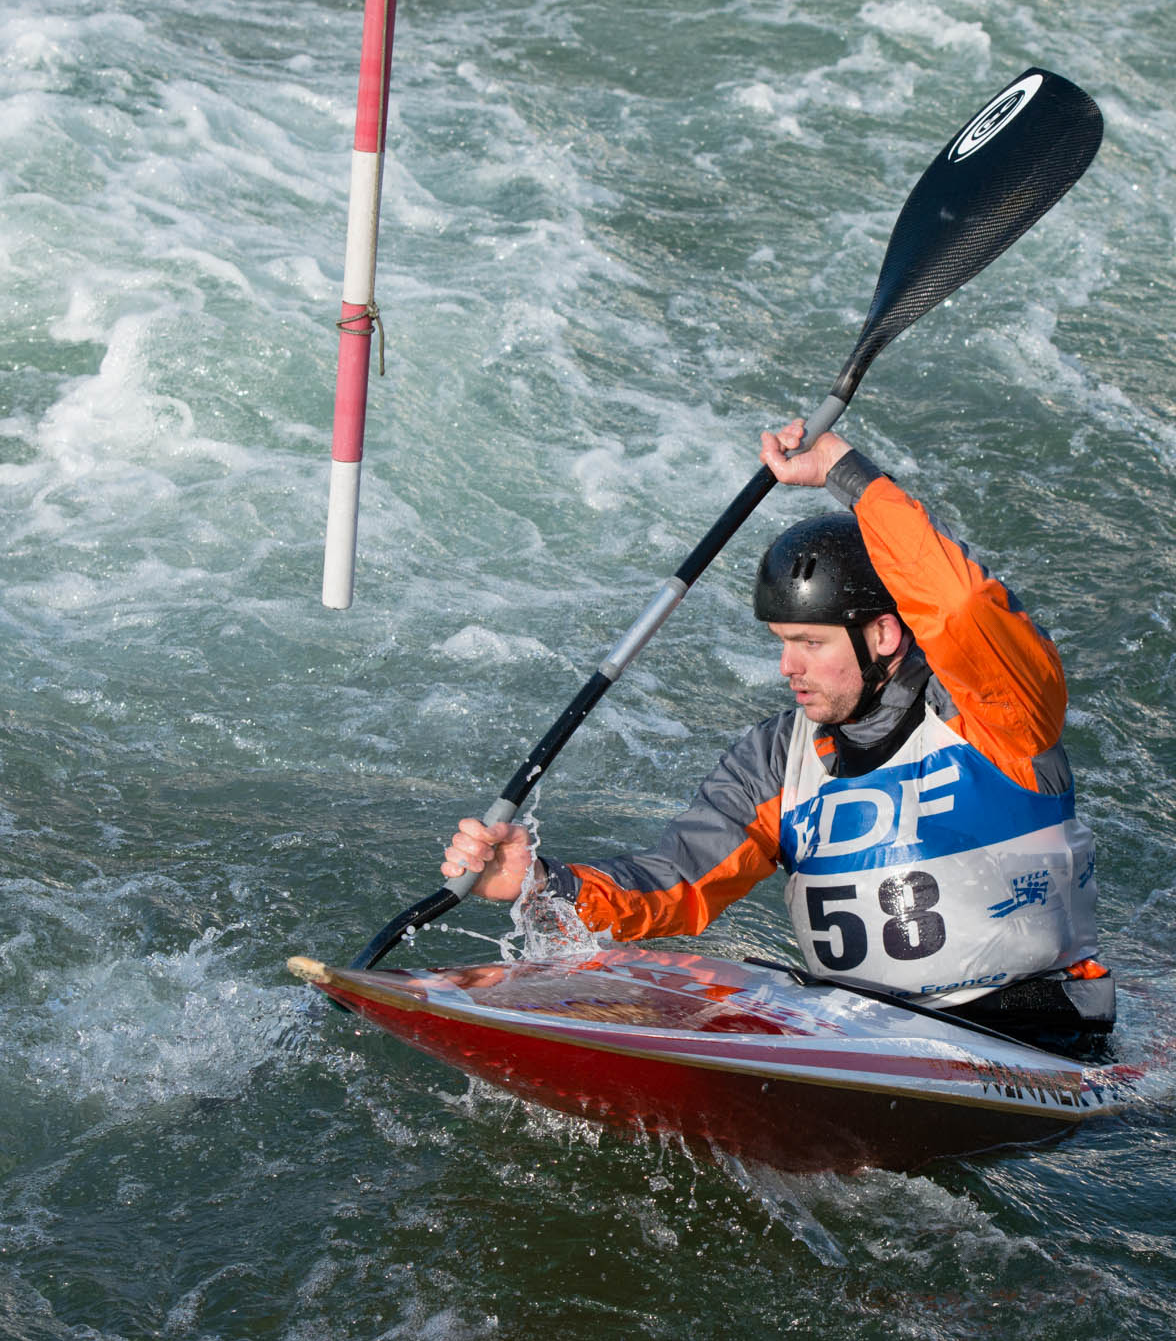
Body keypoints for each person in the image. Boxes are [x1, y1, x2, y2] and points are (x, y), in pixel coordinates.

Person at [442, 419, 1110, 1041]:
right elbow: (675, 884)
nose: (786, 666)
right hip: (864, 1036)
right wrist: (541, 882)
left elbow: (960, 604)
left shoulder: (998, 716)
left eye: (810, 642)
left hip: (1034, 1034)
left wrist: (848, 473)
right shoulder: (773, 761)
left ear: (883, 634)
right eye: (781, 642)